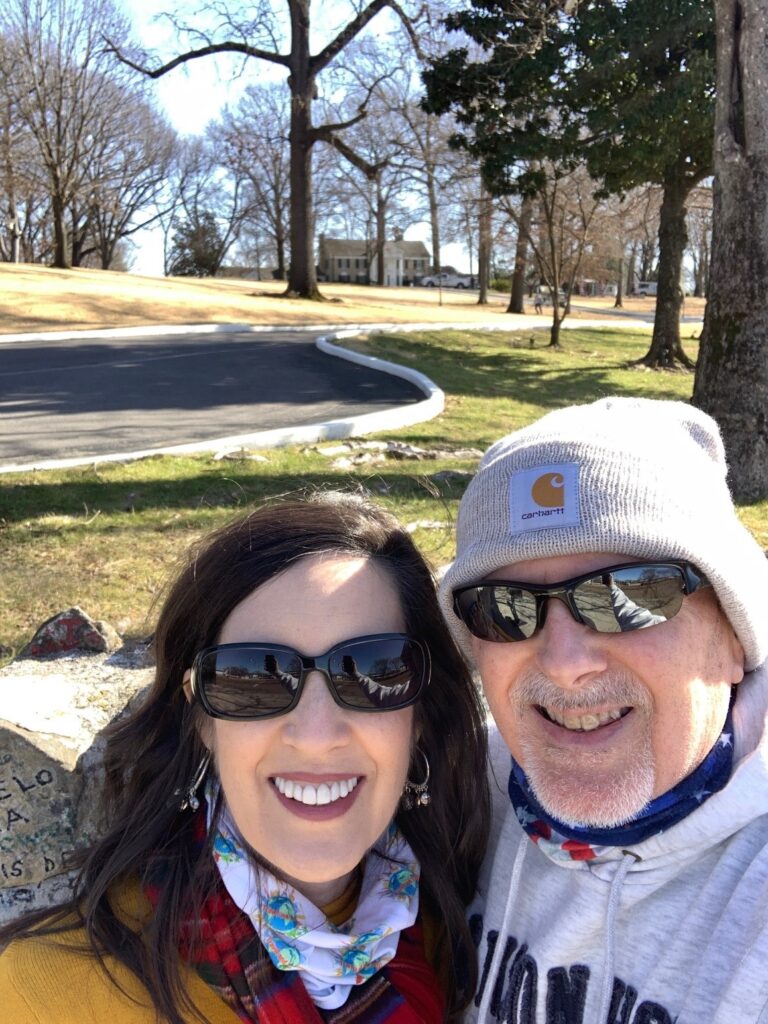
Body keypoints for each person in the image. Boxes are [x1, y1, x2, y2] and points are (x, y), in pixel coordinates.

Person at [0, 491, 489, 1023]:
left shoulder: (459, 938)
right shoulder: (47, 995)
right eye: (253, 677)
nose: (317, 734)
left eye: (371, 671)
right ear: (203, 721)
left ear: (418, 718)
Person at [438, 397, 768, 1023]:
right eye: (505, 608)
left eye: (627, 596)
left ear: (733, 637)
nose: (565, 662)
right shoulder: (455, 797)